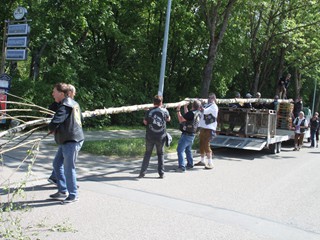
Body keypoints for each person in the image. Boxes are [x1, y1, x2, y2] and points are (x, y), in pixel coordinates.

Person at [48, 83, 84, 204]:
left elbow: (55, 122)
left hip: (71, 140)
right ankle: (63, 190)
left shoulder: (65, 106)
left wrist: (51, 128)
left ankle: (73, 195)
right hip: (67, 139)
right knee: (57, 164)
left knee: (69, 168)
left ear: (62, 94)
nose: (53, 94)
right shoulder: (72, 103)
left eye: (54, 92)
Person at [47, 84, 77, 185]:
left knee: (60, 162)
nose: (73, 94)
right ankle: (68, 188)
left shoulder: (71, 104)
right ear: (69, 93)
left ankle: (62, 185)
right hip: (67, 138)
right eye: (72, 92)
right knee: (63, 163)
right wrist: (52, 127)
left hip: (68, 137)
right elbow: (53, 117)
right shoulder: (63, 104)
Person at [138, 95, 171, 179]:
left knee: (147, 154)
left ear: (153, 103)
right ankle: (161, 173)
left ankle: (142, 173)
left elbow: (145, 122)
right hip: (161, 136)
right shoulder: (165, 111)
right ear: (161, 102)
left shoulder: (149, 111)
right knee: (161, 154)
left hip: (150, 135)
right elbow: (168, 119)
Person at [175, 100, 201, 172]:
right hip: (192, 134)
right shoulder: (198, 113)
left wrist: (178, 110)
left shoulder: (191, 113)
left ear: (192, 106)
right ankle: (190, 164)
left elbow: (181, 120)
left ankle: (182, 167)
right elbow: (187, 116)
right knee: (188, 150)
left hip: (186, 134)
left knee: (180, 150)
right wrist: (185, 107)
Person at [195, 93, 219, 169]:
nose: (209, 99)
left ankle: (210, 162)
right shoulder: (207, 105)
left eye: (211, 98)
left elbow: (203, 111)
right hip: (203, 127)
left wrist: (199, 103)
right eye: (208, 98)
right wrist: (200, 103)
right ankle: (202, 161)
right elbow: (200, 110)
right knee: (201, 144)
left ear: (214, 99)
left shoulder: (214, 107)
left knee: (206, 144)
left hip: (210, 128)